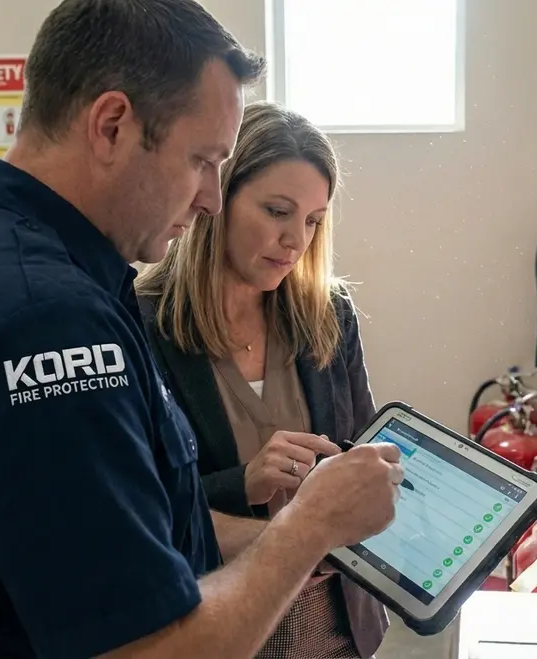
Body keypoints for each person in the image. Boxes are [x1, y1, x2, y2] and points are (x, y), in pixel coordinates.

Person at [0, 2, 403, 658]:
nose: (209, 198)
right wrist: (310, 527)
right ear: (112, 125)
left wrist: (302, 530)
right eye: (201, 160)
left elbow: (136, 530)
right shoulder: (48, 324)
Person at [134, 101, 387, 658]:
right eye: (277, 211)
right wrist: (241, 483)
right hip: (215, 625)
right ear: (216, 199)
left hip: (336, 630)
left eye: (313, 220)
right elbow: (135, 509)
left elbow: (364, 455)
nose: (296, 240)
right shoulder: (139, 324)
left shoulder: (329, 314)